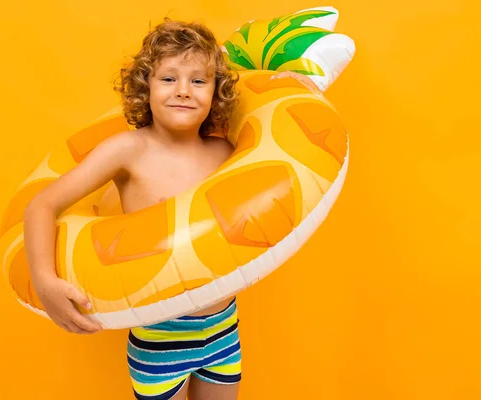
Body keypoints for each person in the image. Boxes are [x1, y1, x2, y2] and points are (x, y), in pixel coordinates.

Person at [23, 18, 320, 400]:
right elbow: (41, 204)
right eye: (168, 79)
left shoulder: (226, 153)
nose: (183, 91)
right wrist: (44, 281)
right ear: (145, 87)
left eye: (198, 81)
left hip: (223, 329)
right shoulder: (128, 151)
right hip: (159, 338)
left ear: (216, 92)